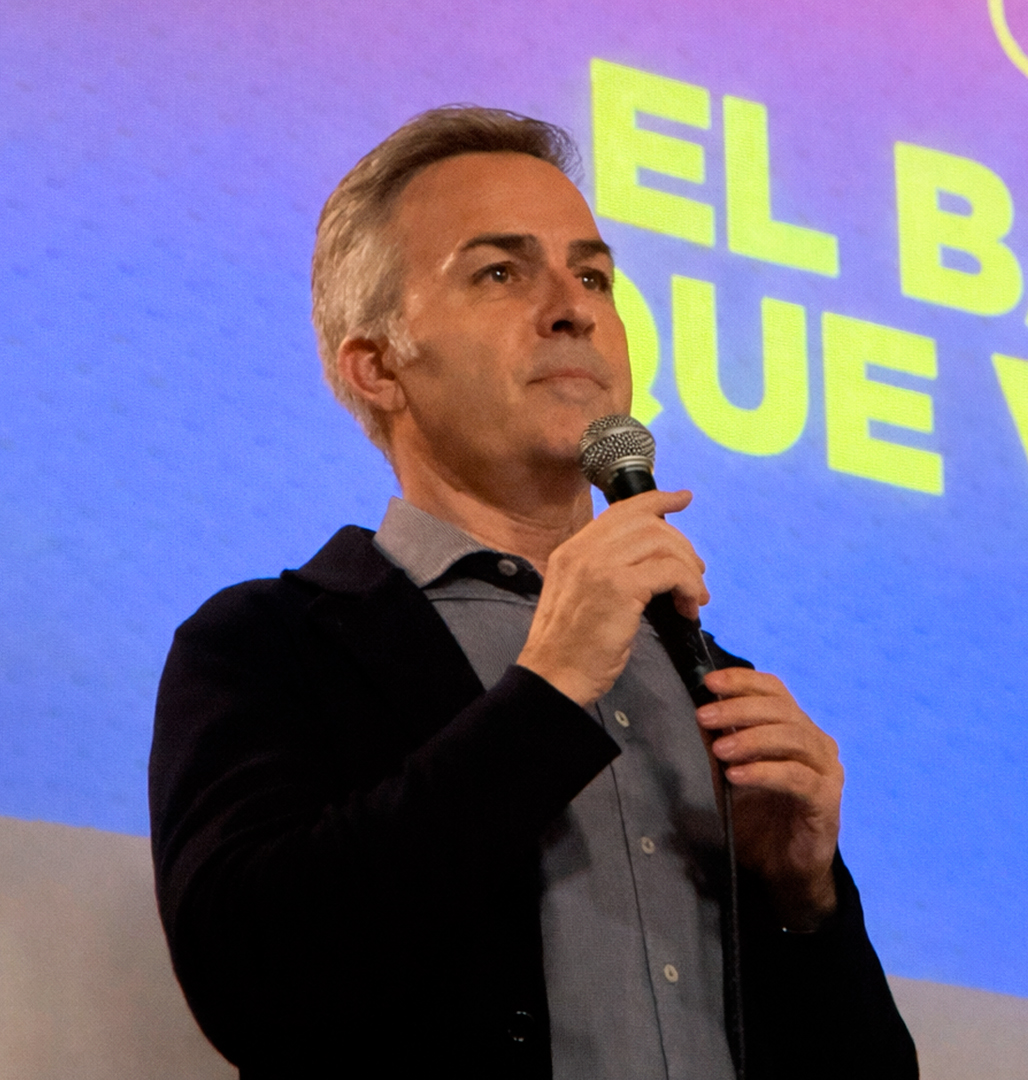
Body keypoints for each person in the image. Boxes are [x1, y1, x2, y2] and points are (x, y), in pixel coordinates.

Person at [148, 106, 919, 1079]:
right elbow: (251, 977)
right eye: (500, 273)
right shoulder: (272, 644)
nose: (573, 309)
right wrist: (547, 693)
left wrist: (804, 904)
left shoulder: (710, 679)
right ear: (378, 366)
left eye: (592, 277)